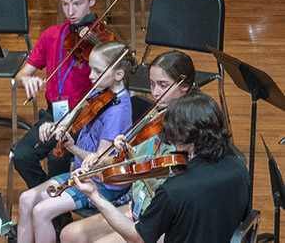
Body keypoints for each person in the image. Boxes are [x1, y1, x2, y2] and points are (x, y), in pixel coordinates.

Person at [73, 91, 250, 243]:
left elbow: (137, 238)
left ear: (183, 137)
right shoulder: (239, 166)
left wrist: (94, 195)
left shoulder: (173, 190)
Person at [59, 50, 197, 242]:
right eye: (152, 84)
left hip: (162, 219)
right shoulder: (154, 115)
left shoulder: (190, 128)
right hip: (139, 206)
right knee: (68, 235)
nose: (155, 93)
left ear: (185, 86)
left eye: (163, 85)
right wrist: (101, 161)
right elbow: (131, 162)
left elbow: (164, 178)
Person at [17, 42, 134, 243]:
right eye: (91, 69)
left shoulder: (117, 111)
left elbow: (97, 164)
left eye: (97, 71)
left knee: (41, 211)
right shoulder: (99, 92)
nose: (90, 76)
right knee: (26, 199)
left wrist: (72, 147)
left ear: (119, 75)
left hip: (102, 184)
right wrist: (57, 125)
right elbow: (75, 116)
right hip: (83, 175)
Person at [11, 0, 100, 191]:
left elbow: (106, 90)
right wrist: (27, 80)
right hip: (53, 114)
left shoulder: (100, 42)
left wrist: (68, 121)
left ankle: (55, 212)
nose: (71, 12)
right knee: (21, 155)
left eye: (77, 4)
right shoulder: (51, 35)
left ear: (92, 1)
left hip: (83, 117)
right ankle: (54, 210)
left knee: (57, 157)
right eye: (65, 4)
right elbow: (21, 75)